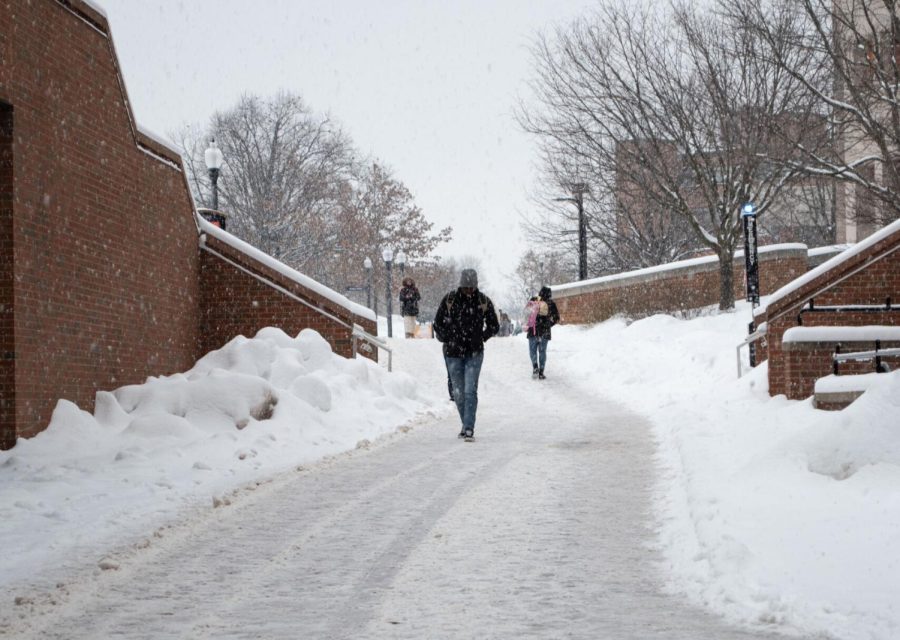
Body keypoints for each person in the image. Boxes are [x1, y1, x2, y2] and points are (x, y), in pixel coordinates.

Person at [433, 268, 499, 441]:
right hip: (453, 353)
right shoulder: (450, 299)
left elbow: (494, 325)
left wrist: (481, 337)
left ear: (476, 286)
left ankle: (469, 428)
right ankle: (466, 423)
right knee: (458, 393)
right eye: (466, 287)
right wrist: (447, 338)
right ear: (461, 285)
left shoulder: (483, 300)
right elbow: (437, 323)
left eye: (472, 287)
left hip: (474, 353)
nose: (469, 291)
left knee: (470, 391)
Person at [525, 285, 560, 380]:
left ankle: (535, 367)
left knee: (532, 350)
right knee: (542, 351)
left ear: (540, 292)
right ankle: (541, 372)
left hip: (533, 330)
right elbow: (557, 318)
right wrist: (549, 324)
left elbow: (527, 312)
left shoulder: (534, 300)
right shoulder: (551, 303)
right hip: (545, 331)